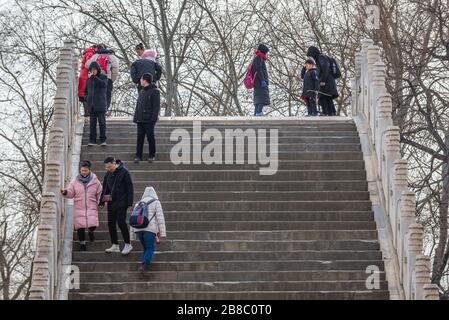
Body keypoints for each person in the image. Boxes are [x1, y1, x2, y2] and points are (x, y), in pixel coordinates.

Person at [61, 160, 102, 251]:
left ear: (89, 170)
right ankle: (82, 244)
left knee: (92, 224)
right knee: (80, 227)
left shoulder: (95, 181)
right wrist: (66, 192)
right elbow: (71, 192)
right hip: (79, 206)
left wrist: (100, 202)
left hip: (91, 205)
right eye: (82, 170)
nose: (83, 172)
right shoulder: (75, 181)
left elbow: (99, 193)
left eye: (85, 170)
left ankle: (91, 232)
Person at [99, 157, 134, 255]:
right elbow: (105, 187)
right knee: (110, 223)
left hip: (122, 201)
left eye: (110, 167)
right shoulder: (108, 174)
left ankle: (128, 244)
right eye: (107, 168)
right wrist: (102, 201)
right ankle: (115, 245)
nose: (109, 169)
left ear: (114, 163)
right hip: (111, 202)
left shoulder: (124, 172)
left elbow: (129, 187)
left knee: (121, 222)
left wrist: (129, 202)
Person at [131, 187, 166, 274]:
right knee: (150, 247)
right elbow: (160, 218)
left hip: (138, 229)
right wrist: (162, 232)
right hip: (150, 229)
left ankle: (145, 262)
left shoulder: (138, 203)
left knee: (146, 247)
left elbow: (132, 218)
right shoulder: (156, 202)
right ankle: (145, 265)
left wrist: (131, 235)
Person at [133, 73, 160, 163]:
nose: (140, 81)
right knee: (139, 137)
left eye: (141, 79)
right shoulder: (141, 91)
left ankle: (152, 155)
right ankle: (138, 155)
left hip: (149, 120)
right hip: (140, 119)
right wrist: (136, 117)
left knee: (150, 137)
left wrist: (153, 119)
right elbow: (138, 106)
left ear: (145, 80)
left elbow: (156, 106)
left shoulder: (155, 91)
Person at [305, 46, 339, 116]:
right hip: (328, 80)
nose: (311, 58)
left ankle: (326, 112)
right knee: (327, 97)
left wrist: (323, 81)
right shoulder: (320, 57)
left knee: (323, 96)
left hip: (327, 80)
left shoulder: (321, 57)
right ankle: (331, 113)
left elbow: (325, 68)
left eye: (311, 55)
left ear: (313, 53)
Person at [86, 44, 119, 111]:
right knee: (107, 94)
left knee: (97, 94)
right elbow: (115, 69)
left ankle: (96, 109)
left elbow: (87, 65)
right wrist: (112, 79)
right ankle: (106, 109)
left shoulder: (95, 56)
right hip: (107, 78)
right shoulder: (112, 57)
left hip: (96, 78)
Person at [84, 61, 108, 146]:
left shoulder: (103, 77)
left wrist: (94, 77)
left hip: (100, 104)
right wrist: (87, 98)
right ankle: (92, 140)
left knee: (102, 123)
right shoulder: (88, 80)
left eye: (94, 69)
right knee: (92, 124)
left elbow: (103, 84)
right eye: (91, 69)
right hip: (91, 105)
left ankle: (103, 140)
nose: (93, 71)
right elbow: (85, 91)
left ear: (97, 69)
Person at [78, 45, 98, 117]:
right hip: (86, 77)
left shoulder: (88, 53)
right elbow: (89, 64)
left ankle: (87, 112)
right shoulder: (90, 53)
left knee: (84, 96)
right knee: (86, 95)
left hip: (84, 76)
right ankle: (88, 112)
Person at [252, 44, 270, 116]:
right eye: (266, 53)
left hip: (258, 82)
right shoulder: (258, 58)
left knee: (259, 97)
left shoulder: (259, 58)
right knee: (262, 97)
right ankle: (259, 112)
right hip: (260, 82)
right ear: (263, 52)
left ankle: (256, 112)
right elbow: (259, 70)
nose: (267, 55)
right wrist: (263, 80)